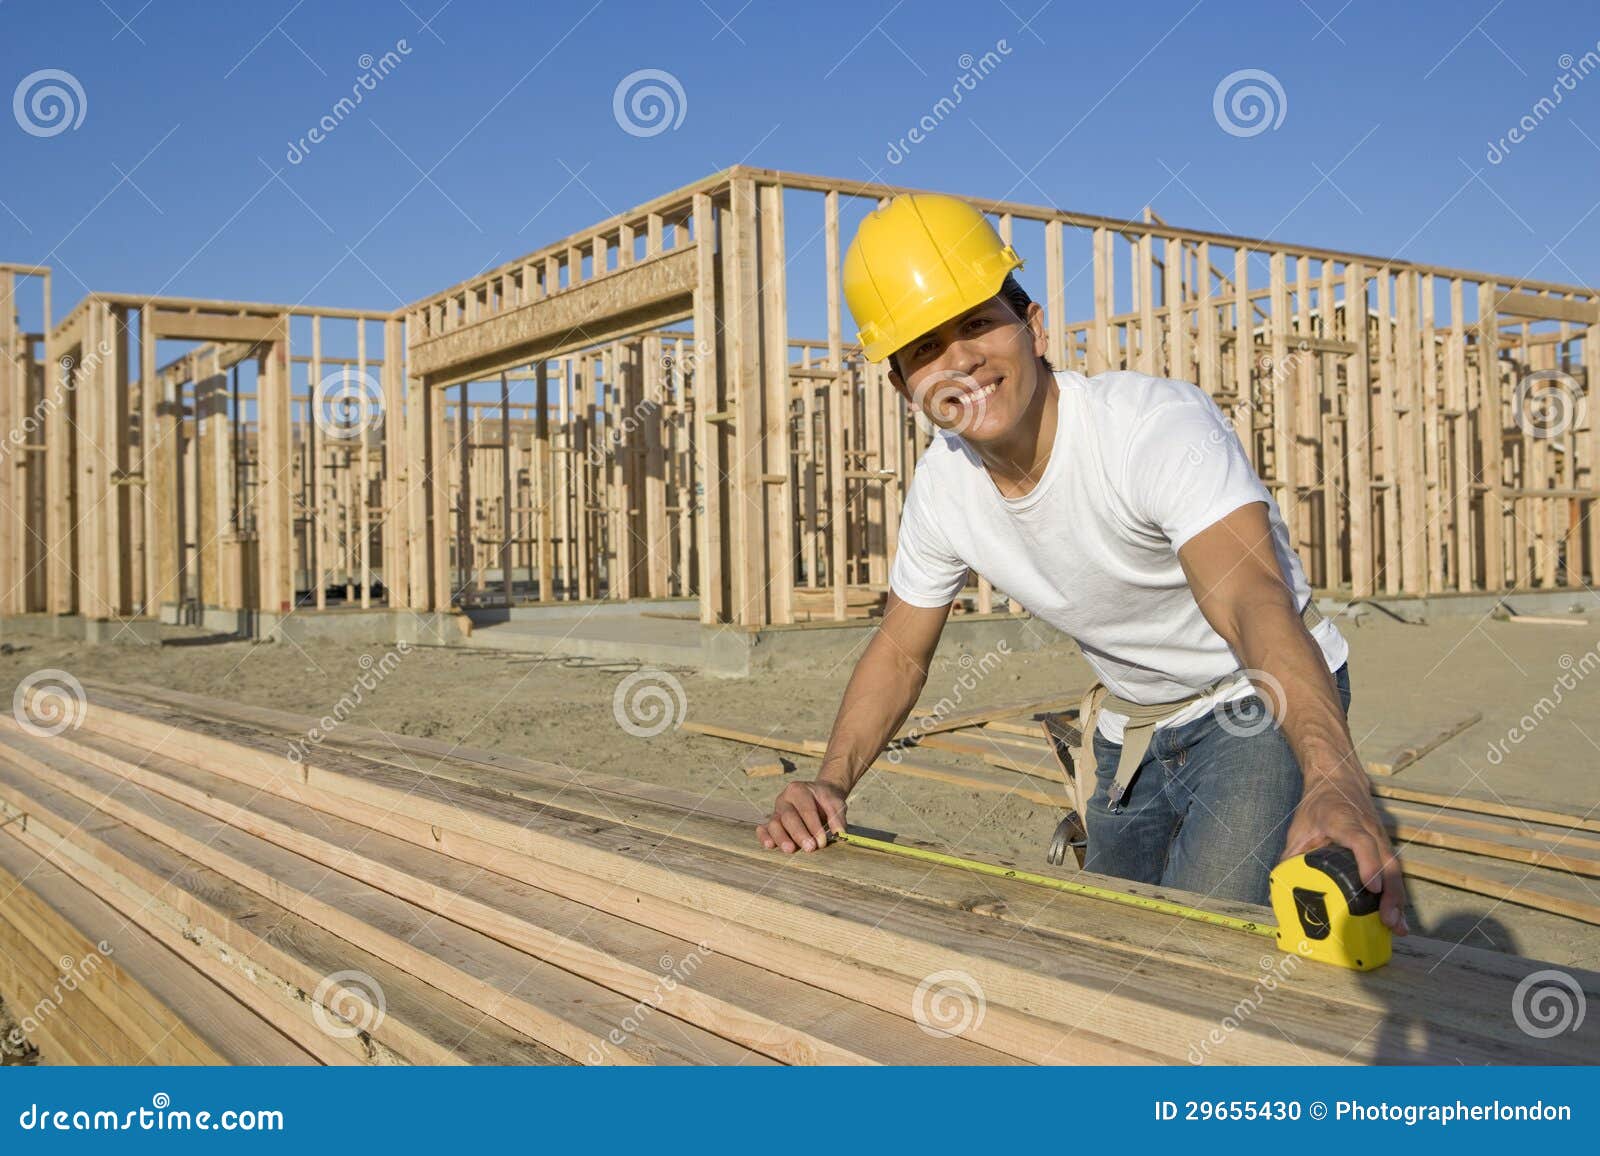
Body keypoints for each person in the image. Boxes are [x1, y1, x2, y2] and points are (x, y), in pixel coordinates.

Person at [755, 192, 1408, 932]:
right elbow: (901, 652)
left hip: (1254, 693)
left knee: (1198, 943)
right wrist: (831, 783)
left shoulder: (1150, 429)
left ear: (1032, 327)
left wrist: (1331, 774)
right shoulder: (943, 487)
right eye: (925, 348)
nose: (960, 360)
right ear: (904, 385)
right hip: (1132, 719)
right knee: (1102, 931)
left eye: (976, 323)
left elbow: (1250, 599)